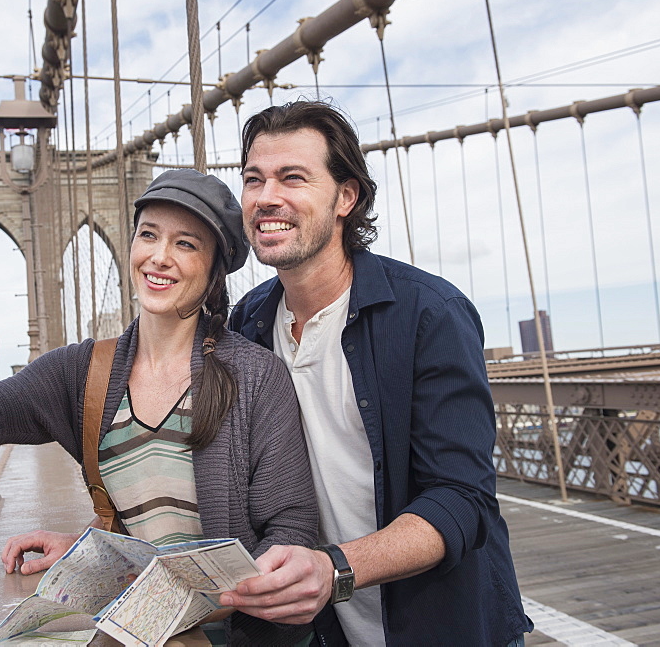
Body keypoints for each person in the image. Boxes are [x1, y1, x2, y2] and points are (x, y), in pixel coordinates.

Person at [0, 169, 318, 645]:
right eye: (148, 235)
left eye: (186, 244)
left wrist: (235, 599)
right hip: (141, 626)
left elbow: (291, 525)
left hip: (229, 634)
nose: (159, 257)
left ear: (214, 271)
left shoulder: (256, 377)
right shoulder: (84, 373)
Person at [220, 100, 533, 646]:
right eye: (253, 179)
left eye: (292, 177)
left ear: (347, 196)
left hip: (444, 627)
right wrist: (105, 547)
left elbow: (463, 498)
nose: (266, 197)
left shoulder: (429, 315)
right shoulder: (246, 324)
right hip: (323, 632)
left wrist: (335, 569)